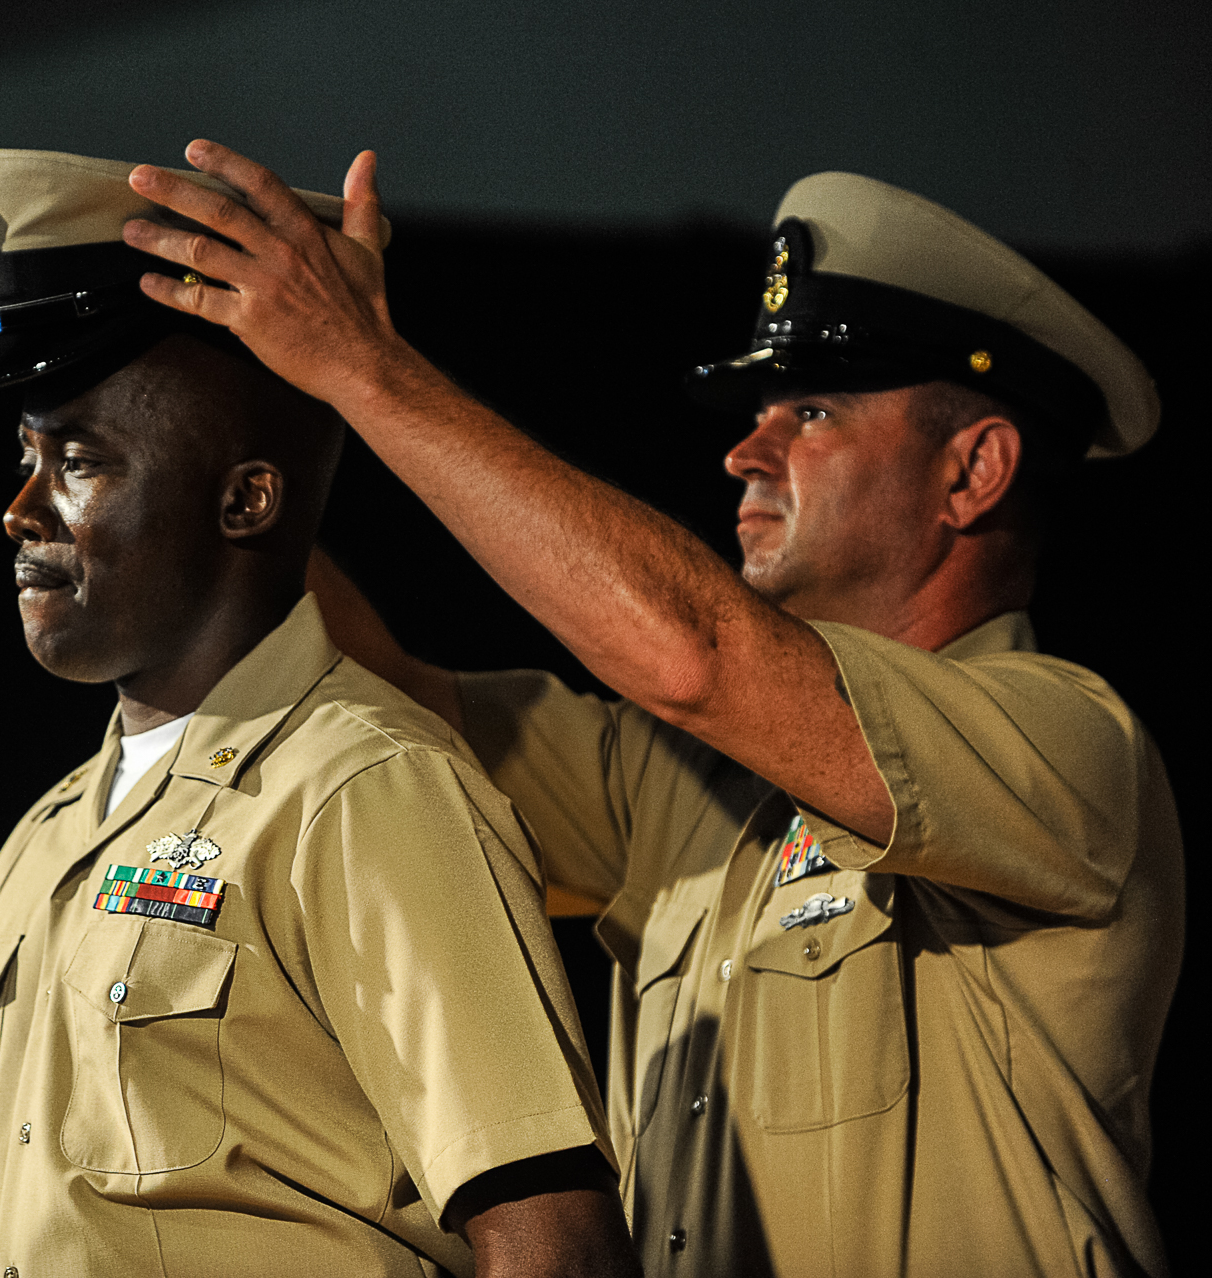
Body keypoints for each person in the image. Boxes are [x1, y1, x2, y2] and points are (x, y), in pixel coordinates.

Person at [118, 146, 1184, 1277]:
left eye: (811, 410)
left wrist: (367, 370)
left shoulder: (1070, 744)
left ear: (975, 473)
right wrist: (259, 417)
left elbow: (701, 655)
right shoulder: (688, 777)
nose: (744, 451)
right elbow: (385, 693)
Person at [0, 148, 640, 1278]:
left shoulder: (366, 789)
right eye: (25, 457)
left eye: (79, 461)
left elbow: (555, 1249)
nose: (22, 509)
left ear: (246, 498)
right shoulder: (42, 842)